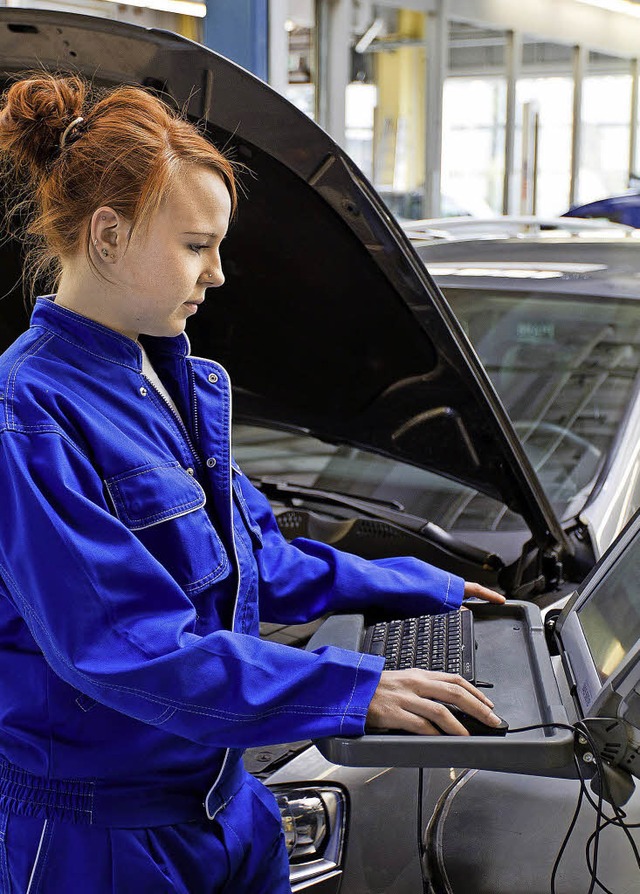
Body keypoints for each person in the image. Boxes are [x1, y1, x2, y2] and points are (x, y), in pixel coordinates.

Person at [0, 73, 506, 893]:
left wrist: (424, 588)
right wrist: (355, 689)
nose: (220, 273)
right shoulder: (26, 419)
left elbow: (257, 560)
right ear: (106, 237)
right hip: (102, 841)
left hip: (229, 810)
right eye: (197, 245)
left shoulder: (168, 383)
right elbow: (128, 651)